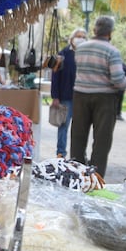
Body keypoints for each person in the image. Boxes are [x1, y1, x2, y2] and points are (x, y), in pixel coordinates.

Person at [69, 16, 126, 177]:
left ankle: (77, 172)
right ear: (110, 32)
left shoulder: (81, 48)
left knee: (78, 135)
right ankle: (95, 176)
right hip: (105, 98)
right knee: (102, 139)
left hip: (80, 95)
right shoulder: (112, 51)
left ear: (95, 30)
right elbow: (117, 78)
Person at [50, 27, 86, 157]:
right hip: (66, 96)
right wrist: (55, 96)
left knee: (80, 128)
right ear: (72, 38)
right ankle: (61, 153)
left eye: (83, 36)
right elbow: (55, 76)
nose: (80, 39)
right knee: (63, 125)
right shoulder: (63, 54)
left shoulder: (86, 54)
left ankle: (78, 154)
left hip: (82, 96)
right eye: (78, 36)